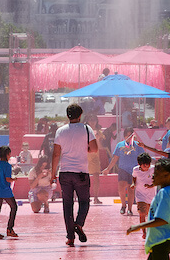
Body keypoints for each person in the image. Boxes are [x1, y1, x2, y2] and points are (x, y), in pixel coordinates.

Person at [51, 103, 98, 247]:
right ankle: (79, 224)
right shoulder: (86, 129)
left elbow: (56, 154)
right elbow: (94, 149)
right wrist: (84, 149)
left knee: (67, 205)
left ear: (67, 116)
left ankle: (70, 237)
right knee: (84, 202)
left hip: (65, 172)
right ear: (80, 115)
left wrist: (53, 173)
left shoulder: (60, 131)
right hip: (81, 173)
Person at [103, 127, 145, 215]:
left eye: (131, 135)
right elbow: (115, 159)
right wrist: (108, 169)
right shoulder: (120, 145)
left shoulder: (138, 145)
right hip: (123, 169)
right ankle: (123, 205)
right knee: (121, 187)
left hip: (133, 170)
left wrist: (143, 169)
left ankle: (130, 208)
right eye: (127, 135)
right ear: (124, 136)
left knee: (131, 189)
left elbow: (142, 158)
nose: (129, 137)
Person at [0, 145, 19, 240]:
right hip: (5, 190)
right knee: (14, 207)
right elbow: (7, 179)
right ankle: (10, 229)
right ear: (7, 154)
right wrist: (14, 179)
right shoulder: (7, 165)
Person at [132, 152, 156, 239]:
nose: (146, 167)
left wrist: (151, 185)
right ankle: (144, 232)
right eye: (144, 165)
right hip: (140, 195)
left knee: (151, 215)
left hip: (151, 196)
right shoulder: (135, 170)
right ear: (140, 164)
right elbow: (134, 177)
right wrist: (133, 184)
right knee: (142, 213)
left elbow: (157, 179)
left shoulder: (153, 169)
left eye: (148, 165)